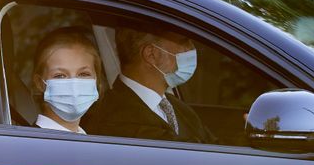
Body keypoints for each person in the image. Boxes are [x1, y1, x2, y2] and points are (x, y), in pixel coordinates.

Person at [83, 27, 217, 143]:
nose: (191, 48)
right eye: (183, 41)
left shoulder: (178, 107)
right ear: (151, 54)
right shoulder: (115, 118)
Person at [32, 27, 102, 134]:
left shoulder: (89, 141)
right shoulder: (32, 145)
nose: (74, 86)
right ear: (40, 83)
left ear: (96, 79)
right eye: (60, 76)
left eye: (83, 74)